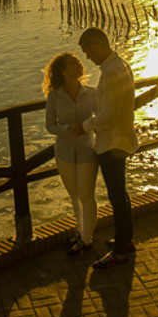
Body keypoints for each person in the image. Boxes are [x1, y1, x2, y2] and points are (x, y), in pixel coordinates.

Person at [72, 27, 138, 271]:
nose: (88, 57)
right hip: (122, 137)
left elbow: (108, 115)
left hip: (111, 142)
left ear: (97, 46)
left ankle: (120, 253)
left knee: (117, 197)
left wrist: (85, 125)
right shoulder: (122, 64)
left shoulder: (110, 73)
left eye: (87, 51)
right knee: (121, 194)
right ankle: (126, 240)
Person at [44, 52, 99, 257]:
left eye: (79, 62)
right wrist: (67, 129)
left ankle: (87, 240)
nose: (79, 65)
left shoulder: (92, 93)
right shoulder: (54, 96)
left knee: (87, 196)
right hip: (65, 152)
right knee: (74, 195)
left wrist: (86, 127)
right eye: (73, 63)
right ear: (63, 71)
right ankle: (80, 231)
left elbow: (101, 116)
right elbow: (50, 126)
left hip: (87, 149)